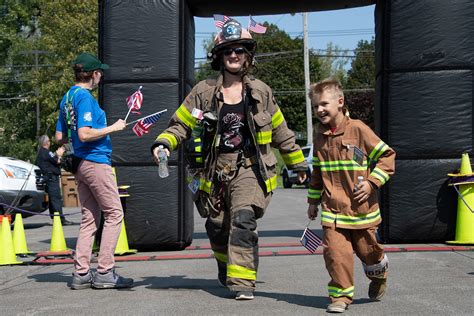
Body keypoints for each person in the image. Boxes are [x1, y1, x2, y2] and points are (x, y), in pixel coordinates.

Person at [151, 18, 307, 300]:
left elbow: (282, 131)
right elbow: (180, 125)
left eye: (239, 50)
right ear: (219, 56)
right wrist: (164, 143)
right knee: (217, 227)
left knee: (243, 219)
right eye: (228, 51)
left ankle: (243, 283)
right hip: (213, 170)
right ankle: (226, 267)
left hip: (249, 167)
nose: (234, 55)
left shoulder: (262, 92)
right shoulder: (202, 92)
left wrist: (298, 164)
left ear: (248, 55)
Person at [306, 78, 396, 313]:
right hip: (333, 212)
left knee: (369, 253)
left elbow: (387, 157)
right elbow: (317, 173)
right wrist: (313, 201)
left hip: (360, 211)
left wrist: (371, 183)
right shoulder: (319, 136)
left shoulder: (358, 129)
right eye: (315, 106)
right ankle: (340, 296)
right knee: (335, 255)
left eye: (324, 104)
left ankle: (379, 273)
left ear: (340, 102)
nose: (319, 110)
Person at [55, 52, 133, 290]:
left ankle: (81, 273)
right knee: (114, 213)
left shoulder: (67, 97)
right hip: (95, 162)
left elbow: (60, 136)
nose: (101, 76)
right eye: (100, 72)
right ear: (94, 74)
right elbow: (84, 134)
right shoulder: (86, 98)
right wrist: (114, 127)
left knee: (90, 219)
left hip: (79, 164)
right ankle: (105, 271)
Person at [35, 135, 73, 225]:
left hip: (48, 178)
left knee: (53, 200)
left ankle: (55, 218)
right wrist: (59, 154)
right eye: (49, 141)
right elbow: (57, 161)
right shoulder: (47, 152)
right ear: (47, 142)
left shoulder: (40, 152)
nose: (50, 142)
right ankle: (61, 219)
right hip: (52, 178)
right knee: (56, 199)